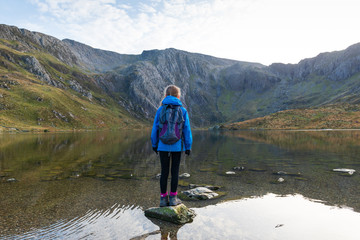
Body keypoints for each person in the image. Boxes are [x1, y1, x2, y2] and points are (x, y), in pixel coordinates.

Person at [151, 85, 192, 207]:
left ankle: (163, 200)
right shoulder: (183, 110)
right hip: (177, 146)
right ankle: (173, 199)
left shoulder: (160, 110)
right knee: (175, 172)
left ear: (165, 95)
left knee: (164, 172)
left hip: (162, 146)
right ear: (178, 96)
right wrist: (188, 146)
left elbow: (155, 129)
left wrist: (154, 144)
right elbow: (186, 130)